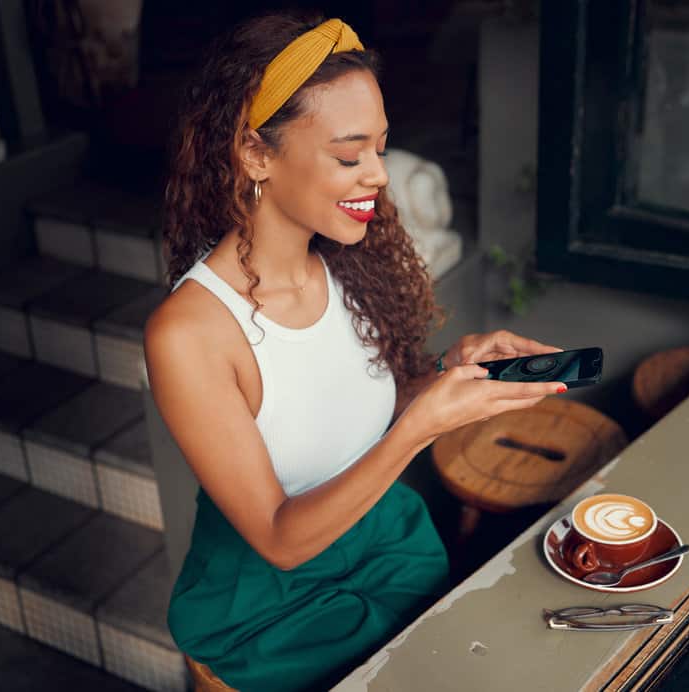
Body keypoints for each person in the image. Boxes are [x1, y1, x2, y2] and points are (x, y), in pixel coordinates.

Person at [143, 13, 567, 691]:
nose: (377, 175)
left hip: (387, 549)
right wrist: (417, 428)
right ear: (255, 155)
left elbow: (357, 411)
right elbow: (280, 541)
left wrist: (445, 377)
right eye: (350, 156)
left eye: (380, 148)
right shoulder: (191, 335)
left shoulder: (344, 261)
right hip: (269, 612)